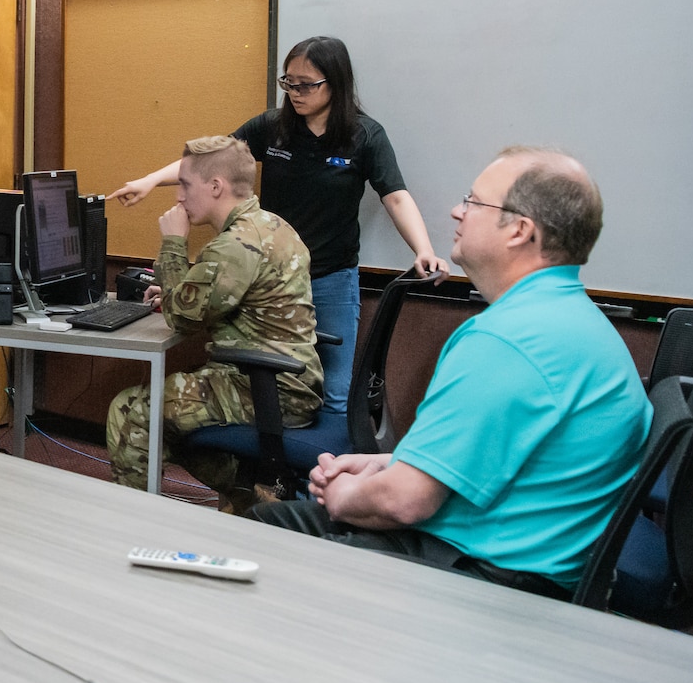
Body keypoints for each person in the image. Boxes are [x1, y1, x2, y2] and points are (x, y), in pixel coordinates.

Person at [252, 149, 651, 597]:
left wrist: (344, 496)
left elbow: (406, 501)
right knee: (272, 523)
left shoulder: (506, 341)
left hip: (486, 582)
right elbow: (496, 459)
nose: (457, 211)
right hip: (524, 560)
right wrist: (388, 464)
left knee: (261, 537)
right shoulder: (572, 321)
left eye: (474, 202)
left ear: (519, 230)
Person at [108, 36, 446, 417]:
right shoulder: (273, 126)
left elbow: (395, 195)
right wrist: (150, 181)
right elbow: (208, 164)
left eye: (306, 84)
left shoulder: (365, 135)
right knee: (263, 386)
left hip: (331, 276)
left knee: (335, 394)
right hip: (269, 279)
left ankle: (322, 472)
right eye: (289, 82)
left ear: (335, 83)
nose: (296, 93)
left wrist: (423, 249)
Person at [104, 136, 322, 513]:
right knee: (173, 413)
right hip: (287, 382)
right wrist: (180, 287)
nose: (179, 198)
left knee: (132, 410)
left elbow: (181, 319)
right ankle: (251, 497)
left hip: (266, 388)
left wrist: (173, 243)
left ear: (216, 186)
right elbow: (218, 295)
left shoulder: (235, 244)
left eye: (186, 185)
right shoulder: (271, 225)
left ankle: (132, 522)